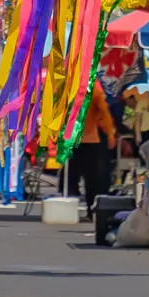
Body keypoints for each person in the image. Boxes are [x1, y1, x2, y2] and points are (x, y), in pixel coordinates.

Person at [63, 79, 116, 216]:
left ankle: (69, 206)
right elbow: (104, 113)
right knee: (92, 178)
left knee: (71, 175)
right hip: (91, 139)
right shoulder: (94, 92)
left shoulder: (68, 92)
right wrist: (110, 134)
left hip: (72, 138)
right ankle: (90, 209)